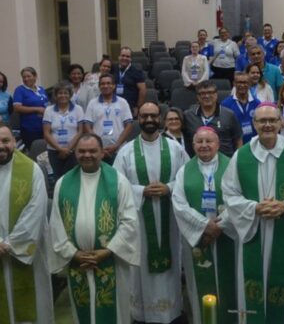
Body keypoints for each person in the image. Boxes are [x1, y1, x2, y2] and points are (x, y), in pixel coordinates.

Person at [221, 103, 284, 324]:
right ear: (254, 124)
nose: (267, 125)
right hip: (253, 230)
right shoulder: (241, 155)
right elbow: (229, 193)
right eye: (262, 121)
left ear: (280, 122)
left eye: (272, 120)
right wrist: (254, 208)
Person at [48, 133, 139, 324]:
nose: (87, 155)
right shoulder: (63, 183)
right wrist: (73, 253)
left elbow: (129, 222)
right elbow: (56, 225)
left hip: (110, 260)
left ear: (102, 152)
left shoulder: (119, 181)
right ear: (75, 153)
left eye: (92, 151)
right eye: (82, 151)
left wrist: (106, 251)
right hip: (77, 262)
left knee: (115, 314)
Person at [113, 102, 189, 323]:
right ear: (138, 118)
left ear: (160, 119)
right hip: (139, 220)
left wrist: (170, 188)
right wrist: (140, 191)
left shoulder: (175, 148)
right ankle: (142, 313)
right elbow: (118, 184)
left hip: (169, 218)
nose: (148, 120)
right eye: (144, 116)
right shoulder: (126, 151)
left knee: (171, 262)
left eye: (153, 116)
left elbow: (186, 180)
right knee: (141, 265)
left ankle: (170, 311)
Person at [172, 127, 238, 324]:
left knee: (231, 283)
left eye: (209, 141)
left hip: (228, 236)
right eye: (199, 142)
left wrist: (220, 226)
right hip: (198, 238)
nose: (204, 145)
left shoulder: (232, 166)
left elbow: (240, 200)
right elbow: (179, 204)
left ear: (218, 144)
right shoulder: (184, 171)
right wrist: (204, 226)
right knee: (197, 285)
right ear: (192, 146)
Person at [0, 123, 53, 324]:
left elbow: (36, 212)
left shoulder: (32, 170)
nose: (1, 146)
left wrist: (10, 245)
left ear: (15, 142)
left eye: (5, 141)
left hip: (25, 254)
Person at [183, 80, 242, 157]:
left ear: (216, 94)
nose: (206, 96)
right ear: (197, 97)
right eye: (202, 93)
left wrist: (237, 159)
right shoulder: (188, 115)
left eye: (210, 92)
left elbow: (238, 139)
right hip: (197, 162)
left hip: (225, 163)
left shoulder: (229, 114)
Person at [83, 73, 133, 164]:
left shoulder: (123, 102)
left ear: (114, 86)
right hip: (98, 150)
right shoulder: (92, 103)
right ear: (99, 86)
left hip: (119, 149)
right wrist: (98, 146)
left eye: (109, 83)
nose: (106, 86)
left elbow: (129, 125)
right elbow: (87, 126)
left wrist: (117, 145)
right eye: (102, 84)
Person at [43, 82, 85, 179]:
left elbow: (80, 131)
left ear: (70, 95)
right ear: (56, 95)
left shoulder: (78, 109)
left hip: (73, 151)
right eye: (60, 93)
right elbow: (46, 133)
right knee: (58, 178)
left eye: (66, 93)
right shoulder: (49, 110)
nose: (63, 95)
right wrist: (60, 149)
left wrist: (68, 149)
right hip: (54, 151)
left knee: (73, 178)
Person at [13, 67, 49, 150]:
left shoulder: (41, 89)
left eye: (28, 76)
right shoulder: (20, 90)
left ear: (35, 76)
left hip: (44, 127)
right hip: (30, 128)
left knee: (45, 150)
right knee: (34, 150)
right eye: (24, 77)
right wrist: (37, 109)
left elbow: (47, 104)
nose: (26, 79)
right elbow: (17, 108)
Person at [221, 72, 261, 144]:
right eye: (239, 82)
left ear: (249, 84)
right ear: (234, 84)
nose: (242, 85)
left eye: (245, 82)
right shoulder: (225, 104)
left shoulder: (257, 103)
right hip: (233, 144)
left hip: (254, 144)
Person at [111, 46, 146, 117]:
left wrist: (138, 107)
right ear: (119, 57)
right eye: (123, 56)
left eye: (127, 56)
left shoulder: (136, 72)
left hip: (129, 107)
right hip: (112, 105)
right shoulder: (113, 69)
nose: (125, 58)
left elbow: (143, 90)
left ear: (131, 59)